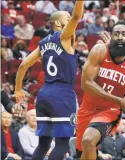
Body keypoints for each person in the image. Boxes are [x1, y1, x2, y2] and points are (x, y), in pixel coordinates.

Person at [14, 1, 84, 160]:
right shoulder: (65, 37)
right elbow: (77, 16)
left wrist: (18, 89)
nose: (72, 21)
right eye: (68, 18)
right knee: (62, 144)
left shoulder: (43, 43)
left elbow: (24, 65)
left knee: (43, 144)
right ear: (59, 23)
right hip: (62, 93)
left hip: (44, 94)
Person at [76, 20, 125, 160]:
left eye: (123, 34)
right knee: (82, 152)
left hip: (110, 112)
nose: (119, 37)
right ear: (111, 37)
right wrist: (118, 99)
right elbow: (86, 83)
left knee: (88, 140)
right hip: (87, 108)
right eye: (116, 34)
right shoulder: (99, 51)